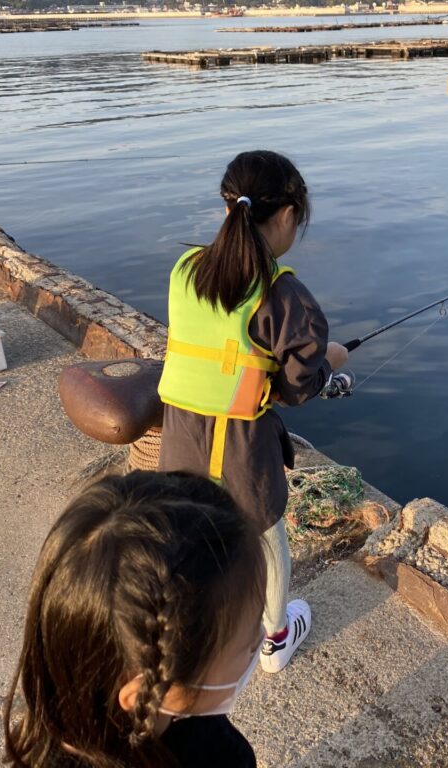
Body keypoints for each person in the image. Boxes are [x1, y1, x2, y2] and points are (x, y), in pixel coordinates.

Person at [157, 149, 349, 674]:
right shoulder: (286, 296)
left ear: (227, 209)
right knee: (265, 534)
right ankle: (276, 638)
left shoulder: (184, 269)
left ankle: (193, 617)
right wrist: (333, 360)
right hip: (242, 447)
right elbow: (295, 389)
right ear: (287, 215)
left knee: (191, 527)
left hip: (180, 437)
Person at [4, 471, 265, 768]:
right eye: (246, 645)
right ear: (146, 691)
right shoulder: (216, 755)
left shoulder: (55, 731)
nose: (261, 639)